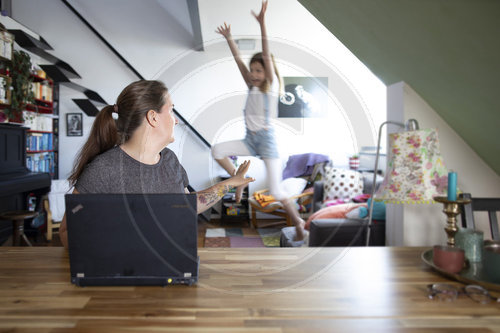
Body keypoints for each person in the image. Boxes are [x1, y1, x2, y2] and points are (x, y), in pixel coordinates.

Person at [59, 80, 254, 249]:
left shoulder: (169, 160)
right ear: (153, 117)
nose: (176, 121)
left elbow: (188, 205)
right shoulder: (103, 169)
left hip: (170, 266)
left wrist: (231, 183)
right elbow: (67, 233)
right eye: (171, 111)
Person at [212, 0, 307, 241]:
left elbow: (265, 53)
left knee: (276, 190)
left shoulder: (271, 88)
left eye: (259, 70)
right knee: (217, 150)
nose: (254, 74)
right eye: (252, 70)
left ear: (267, 72)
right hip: (249, 140)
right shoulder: (251, 87)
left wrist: (263, 23)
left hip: (267, 143)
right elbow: (238, 62)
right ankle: (239, 179)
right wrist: (229, 38)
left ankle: (298, 222)